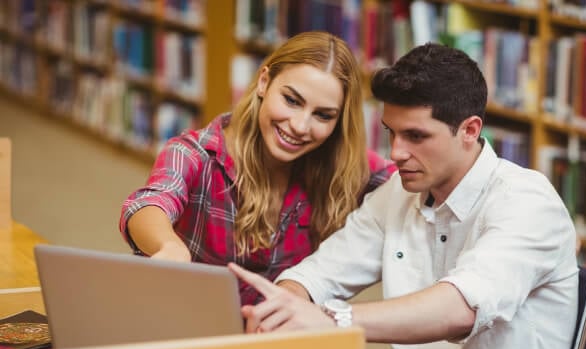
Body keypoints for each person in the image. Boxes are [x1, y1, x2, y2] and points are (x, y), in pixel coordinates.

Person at [230, 43, 579, 349]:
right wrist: (286, 303)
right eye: (391, 132)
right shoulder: (399, 193)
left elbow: (459, 309)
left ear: (470, 131)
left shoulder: (527, 202)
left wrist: (333, 318)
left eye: (416, 136)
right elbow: (321, 273)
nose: (396, 152)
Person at [119, 31, 395, 305]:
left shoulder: (341, 163)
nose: (299, 126)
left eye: (323, 115)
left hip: (276, 339)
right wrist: (168, 245)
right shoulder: (196, 154)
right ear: (264, 82)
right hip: (193, 329)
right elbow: (148, 203)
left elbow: (409, 178)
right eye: (291, 100)